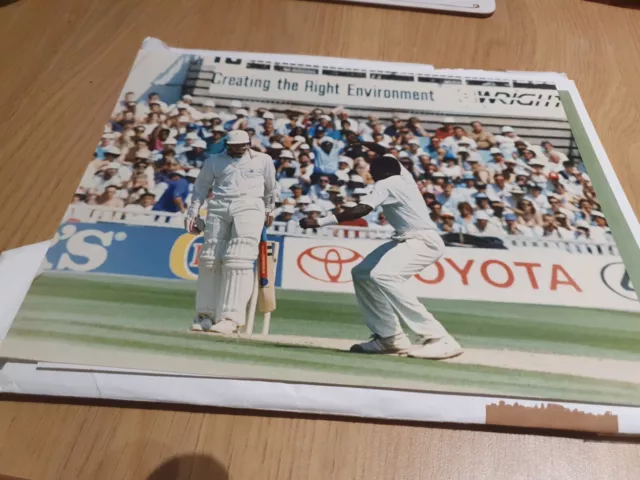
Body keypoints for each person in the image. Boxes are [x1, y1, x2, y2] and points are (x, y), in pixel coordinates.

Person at [299, 155, 462, 359]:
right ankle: (390, 337)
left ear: (383, 171)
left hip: (421, 240)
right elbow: (385, 153)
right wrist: (363, 148)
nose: (370, 173)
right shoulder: (405, 177)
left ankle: (439, 338)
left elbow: (362, 210)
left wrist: (321, 222)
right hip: (409, 238)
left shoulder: (386, 183)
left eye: (373, 168)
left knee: (384, 275)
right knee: (362, 273)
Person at [185, 130, 278, 334]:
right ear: (227, 144)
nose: (237, 149)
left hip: (250, 205)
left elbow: (271, 188)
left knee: (238, 258)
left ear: (248, 143)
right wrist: (192, 213)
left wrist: (270, 209)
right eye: (233, 146)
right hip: (219, 205)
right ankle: (204, 315)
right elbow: (201, 187)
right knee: (210, 258)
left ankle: (230, 318)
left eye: (241, 145)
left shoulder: (263, 160)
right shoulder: (214, 161)